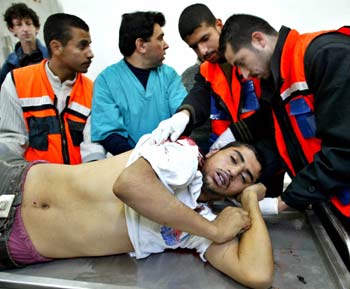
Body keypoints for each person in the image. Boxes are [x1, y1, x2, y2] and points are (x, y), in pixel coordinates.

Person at [0, 135, 274, 289]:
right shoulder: (184, 156)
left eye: (244, 177)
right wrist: (214, 230)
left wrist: (250, 201)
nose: (234, 172)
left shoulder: (197, 224)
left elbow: (257, 274)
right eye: (234, 159)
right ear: (214, 152)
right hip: (13, 182)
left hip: (14, 248)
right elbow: (129, 186)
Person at [219, 14, 350, 219]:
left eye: (241, 62)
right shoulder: (280, 83)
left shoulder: (326, 55)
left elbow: (344, 148)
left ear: (259, 40)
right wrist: (231, 134)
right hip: (334, 202)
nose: (244, 75)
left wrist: (284, 201)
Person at [152, 4, 284, 197]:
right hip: (226, 168)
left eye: (205, 39)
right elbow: (199, 96)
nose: (203, 51)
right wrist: (184, 115)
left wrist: (234, 133)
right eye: (194, 46)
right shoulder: (207, 70)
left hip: (267, 164)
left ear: (219, 25)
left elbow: (274, 117)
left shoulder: (257, 59)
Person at [0, 13, 105, 164]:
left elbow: (93, 148)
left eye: (89, 45)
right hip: (33, 183)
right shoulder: (16, 82)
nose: (90, 54)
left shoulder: (93, 90)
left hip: (78, 182)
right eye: (82, 46)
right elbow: (10, 142)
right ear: (56, 47)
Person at [91, 11, 187, 156]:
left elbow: (182, 115)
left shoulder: (169, 76)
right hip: (127, 164)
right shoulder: (106, 81)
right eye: (160, 38)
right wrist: (139, 162)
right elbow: (109, 134)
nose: (166, 45)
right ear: (141, 45)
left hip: (169, 161)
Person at [0, 3, 48, 88]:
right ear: (12, 29)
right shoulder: (10, 64)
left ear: (36, 28)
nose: (25, 29)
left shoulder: (52, 55)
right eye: (19, 24)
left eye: (28, 23)